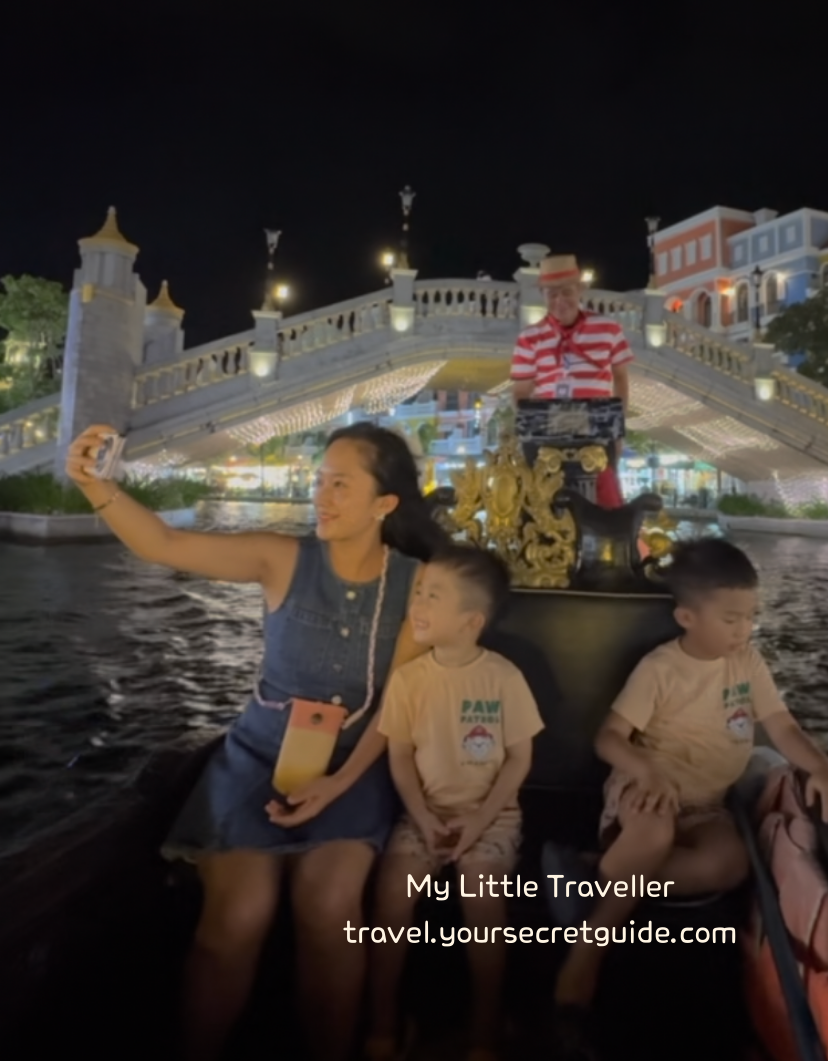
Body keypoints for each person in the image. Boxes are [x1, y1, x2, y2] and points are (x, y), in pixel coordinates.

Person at [65, 421, 447, 1061]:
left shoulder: (418, 584)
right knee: (239, 912)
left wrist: (336, 785)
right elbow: (162, 543)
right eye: (320, 481)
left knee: (330, 906)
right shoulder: (282, 558)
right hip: (257, 759)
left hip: (355, 767)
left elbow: (397, 708)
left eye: (341, 485)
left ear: (385, 503)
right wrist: (92, 483)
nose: (321, 495)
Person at [543, 537, 828, 1055]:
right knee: (654, 833)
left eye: (750, 617)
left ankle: (597, 874)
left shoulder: (748, 664)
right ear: (687, 617)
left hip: (707, 805)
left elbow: (781, 726)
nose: (744, 630)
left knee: (730, 863)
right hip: (647, 793)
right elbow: (610, 738)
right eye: (731, 619)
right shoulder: (662, 669)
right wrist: (645, 770)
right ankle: (589, 950)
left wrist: (822, 768)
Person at [367, 544, 544, 1061]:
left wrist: (480, 820)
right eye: (419, 592)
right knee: (392, 896)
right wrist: (423, 817)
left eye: (433, 596)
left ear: (471, 621)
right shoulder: (408, 680)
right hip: (423, 812)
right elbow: (400, 757)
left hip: (492, 815)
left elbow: (519, 759)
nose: (417, 604)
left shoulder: (503, 678)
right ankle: (382, 1023)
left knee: (481, 896)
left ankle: (485, 1029)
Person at [510, 254, 632, 507]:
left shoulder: (608, 329)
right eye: (551, 294)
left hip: (597, 430)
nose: (559, 301)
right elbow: (521, 391)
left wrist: (617, 430)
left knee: (606, 506)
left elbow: (621, 378)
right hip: (549, 434)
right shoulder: (529, 338)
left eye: (566, 292)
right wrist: (529, 431)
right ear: (542, 295)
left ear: (580, 290)